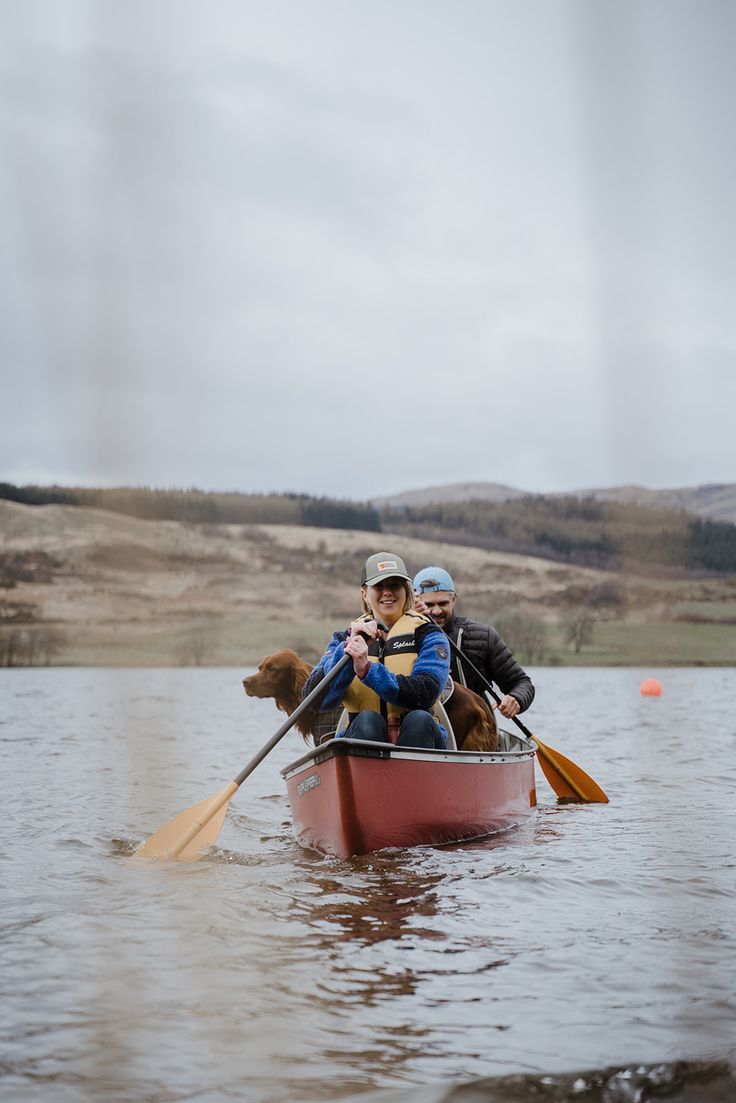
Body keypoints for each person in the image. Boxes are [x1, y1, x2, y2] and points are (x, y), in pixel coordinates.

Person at [301, 552, 451, 748]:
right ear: (365, 593)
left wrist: (368, 671)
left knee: (419, 720)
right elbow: (314, 700)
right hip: (363, 735)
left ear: (406, 590)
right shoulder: (343, 639)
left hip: (420, 739)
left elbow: (426, 694)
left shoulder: (429, 634)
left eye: (394, 585)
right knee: (367, 720)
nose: (387, 592)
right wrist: (348, 651)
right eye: (379, 586)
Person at [412, 566, 534, 719]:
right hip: (422, 727)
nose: (436, 611)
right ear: (413, 603)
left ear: (454, 599)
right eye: (428, 605)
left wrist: (516, 698)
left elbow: (522, 683)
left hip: (475, 728)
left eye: (443, 603)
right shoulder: (399, 636)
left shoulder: (484, 636)